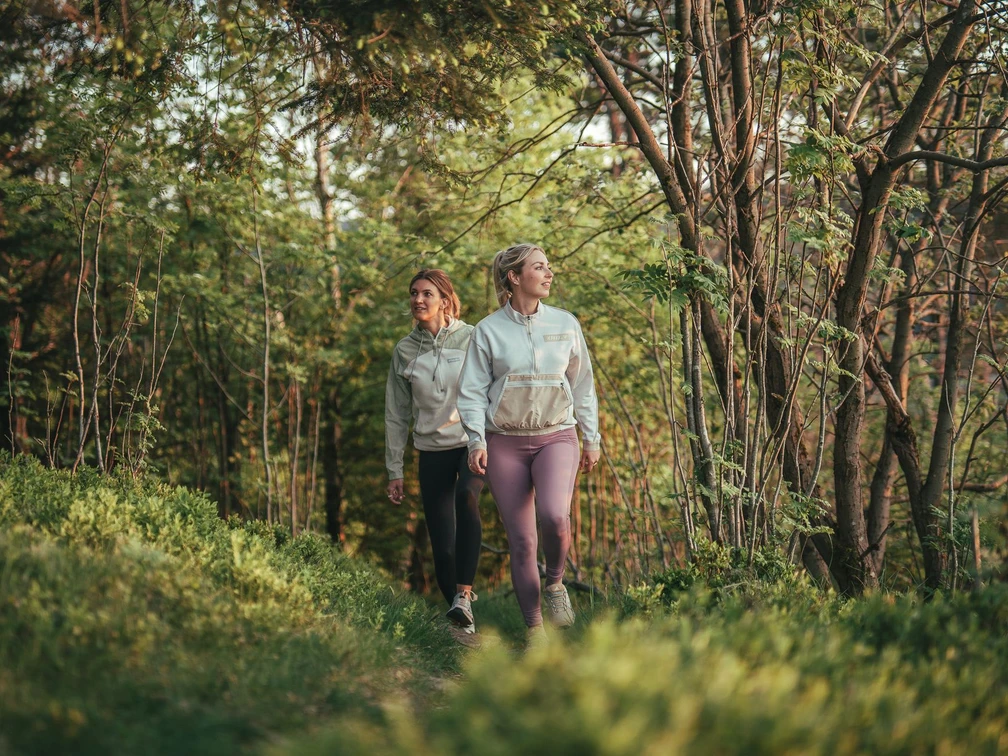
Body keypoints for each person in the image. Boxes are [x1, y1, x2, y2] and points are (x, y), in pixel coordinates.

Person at [457, 243, 601, 638]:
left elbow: (583, 384)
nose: (549, 273)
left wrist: (592, 437)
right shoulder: (488, 330)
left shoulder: (565, 324)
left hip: (557, 436)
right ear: (515, 277)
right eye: (540, 267)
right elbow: (471, 391)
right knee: (522, 541)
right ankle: (535, 633)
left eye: (548, 266)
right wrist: (476, 441)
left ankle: (555, 582)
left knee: (555, 517)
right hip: (505, 442)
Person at [385, 269, 484, 637]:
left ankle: (464, 595)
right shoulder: (404, 350)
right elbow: (396, 414)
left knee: (467, 496)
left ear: (445, 300)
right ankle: (462, 623)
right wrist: (395, 469)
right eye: (413, 293)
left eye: (427, 293)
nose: (418, 299)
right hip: (430, 448)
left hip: (471, 443)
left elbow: (491, 389)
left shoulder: (471, 338)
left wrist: (489, 436)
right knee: (442, 546)